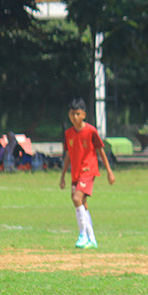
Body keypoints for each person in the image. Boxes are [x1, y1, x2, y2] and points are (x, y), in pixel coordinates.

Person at [59, 98, 115, 249]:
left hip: (88, 170)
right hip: (76, 173)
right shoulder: (68, 134)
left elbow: (100, 150)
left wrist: (109, 171)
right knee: (82, 203)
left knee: (76, 198)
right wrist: (63, 175)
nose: (74, 117)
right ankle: (92, 239)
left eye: (77, 114)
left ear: (84, 114)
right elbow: (68, 155)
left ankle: (82, 234)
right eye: (72, 114)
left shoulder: (91, 131)